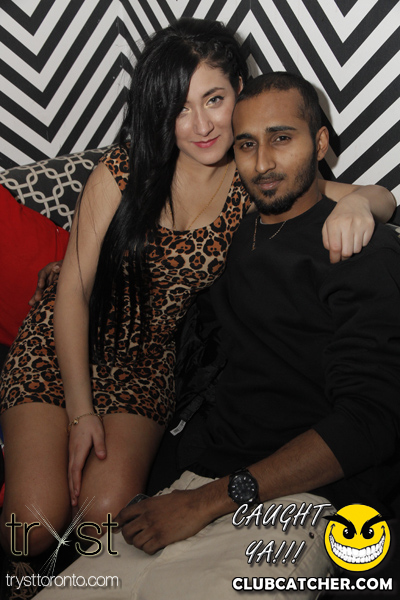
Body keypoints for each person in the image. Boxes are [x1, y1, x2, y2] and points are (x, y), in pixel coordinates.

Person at [0, 15, 395, 583]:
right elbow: (73, 294)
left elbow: (373, 196)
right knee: (34, 523)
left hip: (146, 366)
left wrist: (359, 206)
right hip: (64, 339)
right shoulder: (126, 169)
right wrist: (82, 414)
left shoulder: (250, 178)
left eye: (214, 99)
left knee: (102, 516)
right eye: (180, 107)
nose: (202, 124)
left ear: (238, 90)